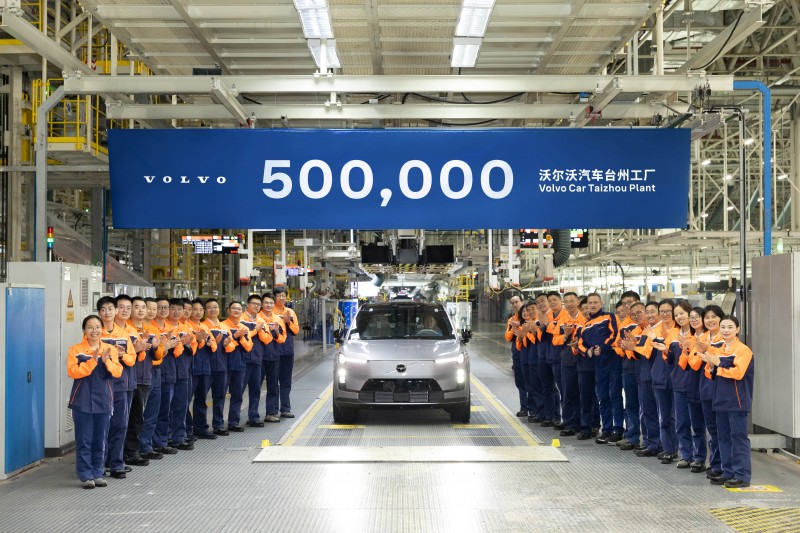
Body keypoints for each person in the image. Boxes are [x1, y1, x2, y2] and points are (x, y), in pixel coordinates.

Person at [698, 316, 754, 488]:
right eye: (723, 327)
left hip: (737, 401)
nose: (726, 330)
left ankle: (742, 476)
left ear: (738, 329)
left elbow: (738, 373)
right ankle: (728, 472)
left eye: (730, 327)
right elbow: (711, 374)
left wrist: (719, 364)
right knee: (723, 437)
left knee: (738, 438)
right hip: (720, 399)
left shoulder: (743, 350)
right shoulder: (720, 349)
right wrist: (711, 365)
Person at [68, 315, 123, 488]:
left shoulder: (109, 349)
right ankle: (86, 475)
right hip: (82, 401)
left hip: (104, 400)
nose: (94, 330)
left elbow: (118, 372)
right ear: (84, 330)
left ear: (102, 329)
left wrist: (106, 362)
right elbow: (73, 372)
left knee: (101, 439)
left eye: (98, 327)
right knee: (84, 440)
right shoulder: (76, 350)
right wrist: (93, 361)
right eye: (90, 327)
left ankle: (98, 473)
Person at [97, 296, 137, 480]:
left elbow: (132, 359)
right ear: (99, 313)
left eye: (110, 309)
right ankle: (100, 463)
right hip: (102, 384)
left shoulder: (123, 334)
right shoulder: (96, 333)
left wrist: (121, 356)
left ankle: (116, 463)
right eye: (103, 309)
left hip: (121, 384)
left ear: (116, 311)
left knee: (120, 424)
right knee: (102, 425)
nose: (107, 313)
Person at [579, 293, 622, 444]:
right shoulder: (585, 325)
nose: (592, 305)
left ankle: (618, 429)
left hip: (613, 360)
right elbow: (580, 344)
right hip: (599, 364)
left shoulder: (610, 317)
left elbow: (615, 334)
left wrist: (602, 348)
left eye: (595, 302)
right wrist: (588, 351)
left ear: (601, 303)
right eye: (590, 303)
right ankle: (606, 429)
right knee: (602, 396)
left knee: (614, 395)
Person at [122, 296, 160, 467]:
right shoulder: (126, 330)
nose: (141, 310)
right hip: (130, 378)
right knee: (125, 417)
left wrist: (157, 347)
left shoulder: (150, 329)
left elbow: (157, 356)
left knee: (138, 417)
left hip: (145, 377)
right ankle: (123, 453)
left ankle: (132, 451)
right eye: (136, 307)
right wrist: (137, 348)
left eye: (143, 307)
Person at [668, 301, 705, 471]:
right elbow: (671, 360)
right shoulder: (673, 334)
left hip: (694, 384)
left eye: (682, 313)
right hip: (678, 383)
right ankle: (686, 455)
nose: (679, 317)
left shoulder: (697, 335)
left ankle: (699, 457)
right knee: (681, 422)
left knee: (697, 423)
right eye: (676, 315)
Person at [621, 302, 661, 456]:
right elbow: (638, 353)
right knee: (646, 411)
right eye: (634, 315)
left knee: (657, 412)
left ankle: (658, 444)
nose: (637, 316)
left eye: (640, 312)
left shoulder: (656, 330)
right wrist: (632, 345)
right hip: (642, 375)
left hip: (653, 376)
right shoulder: (643, 331)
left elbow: (648, 352)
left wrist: (634, 346)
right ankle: (650, 442)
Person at [691, 305, 725, 479]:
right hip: (705, 385)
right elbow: (694, 362)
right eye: (707, 317)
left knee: (722, 428)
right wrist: (697, 350)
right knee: (711, 428)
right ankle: (715, 463)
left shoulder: (725, 337)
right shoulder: (701, 337)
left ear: (720, 318)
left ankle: (723, 465)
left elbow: (723, 359)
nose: (710, 320)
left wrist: (708, 349)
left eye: (714, 317)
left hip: (722, 385)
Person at [552, 292, 585, 437]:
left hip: (583, 361)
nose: (570, 304)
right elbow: (555, 340)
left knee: (584, 394)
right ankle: (569, 423)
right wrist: (565, 335)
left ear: (577, 302)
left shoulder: (584, 318)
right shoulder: (562, 320)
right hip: (567, 361)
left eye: (572, 301)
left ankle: (583, 424)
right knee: (568, 393)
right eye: (567, 301)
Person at [649, 299, 678, 464]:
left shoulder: (679, 330)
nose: (665, 314)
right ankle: (668, 449)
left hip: (677, 378)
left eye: (669, 311)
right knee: (664, 416)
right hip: (660, 377)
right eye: (663, 311)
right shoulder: (654, 330)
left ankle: (680, 449)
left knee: (678, 417)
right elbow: (647, 353)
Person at [187, 298, 218, 439]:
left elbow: (213, 345)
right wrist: (197, 339)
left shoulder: (205, 327)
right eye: (195, 309)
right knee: (186, 401)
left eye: (201, 310)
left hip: (205, 368)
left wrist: (211, 343)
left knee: (201, 400)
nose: (198, 312)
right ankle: (187, 430)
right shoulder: (187, 326)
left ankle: (201, 428)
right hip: (191, 368)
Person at [242, 294, 274, 427]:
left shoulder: (261, 321)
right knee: (239, 391)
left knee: (255, 390)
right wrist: (256, 330)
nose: (256, 306)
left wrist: (259, 330)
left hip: (257, 359)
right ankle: (233, 420)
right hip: (243, 360)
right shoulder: (241, 319)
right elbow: (244, 336)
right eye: (253, 304)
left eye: (258, 305)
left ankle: (253, 417)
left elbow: (267, 339)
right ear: (247, 304)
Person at [614, 292, 641, 450]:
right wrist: (623, 348)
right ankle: (632, 436)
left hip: (642, 366)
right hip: (628, 367)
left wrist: (632, 346)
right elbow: (617, 345)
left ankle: (651, 440)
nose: (627, 306)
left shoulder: (643, 322)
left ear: (637, 301)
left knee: (647, 405)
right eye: (624, 303)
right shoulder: (623, 324)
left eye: (630, 302)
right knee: (631, 403)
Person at [203, 298, 233, 435]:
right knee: (201, 398)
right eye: (209, 307)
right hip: (206, 367)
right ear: (205, 310)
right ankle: (200, 427)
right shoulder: (203, 326)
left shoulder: (225, 328)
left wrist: (227, 344)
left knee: (220, 396)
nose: (213, 310)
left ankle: (218, 424)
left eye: (215, 307)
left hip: (221, 366)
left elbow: (231, 346)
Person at [223, 301, 253, 431]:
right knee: (220, 395)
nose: (236, 311)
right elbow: (224, 346)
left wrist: (241, 338)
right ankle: (218, 424)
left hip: (240, 364)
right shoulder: (223, 326)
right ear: (228, 310)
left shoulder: (244, 328)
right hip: (224, 365)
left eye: (239, 309)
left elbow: (249, 346)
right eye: (234, 308)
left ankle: (234, 422)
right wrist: (235, 336)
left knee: (237, 394)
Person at [260, 293, 287, 423]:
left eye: (271, 303)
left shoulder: (278, 319)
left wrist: (275, 332)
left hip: (274, 356)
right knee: (255, 387)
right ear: (262, 304)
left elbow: (283, 338)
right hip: (259, 357)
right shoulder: (257, 318)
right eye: (266, 302)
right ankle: (253, 415)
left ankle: (271, 412)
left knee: (273, 386)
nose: (269, 305)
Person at [273, 286, 300, 418]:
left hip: (288, 351)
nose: (281, 298)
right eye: (279, 295)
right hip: (274, 351)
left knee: (286, 381)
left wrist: (288, 322)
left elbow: (296, 331)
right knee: (273, 381)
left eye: (283, 295)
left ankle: (285, 409)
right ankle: (273, 410)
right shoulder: (269, 312)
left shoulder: (290, 312)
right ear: (274, 297)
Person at [541, 291, 567, 428]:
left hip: (562, 357)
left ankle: (566, 419)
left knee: (564, 390)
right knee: (552, 388)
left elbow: (559, 334)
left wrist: (548, 325)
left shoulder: (565, 315)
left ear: (560, 300)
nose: (552, 303)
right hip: (551, 357)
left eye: (554, 300)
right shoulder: (549, 316)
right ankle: (557, 417)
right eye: (550, 300)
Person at [504, 294, 528, 417]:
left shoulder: (528, 316)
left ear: (522, 302)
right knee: (520, 381)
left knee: (531, 381)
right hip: (517, 351)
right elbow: (508, 337)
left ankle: (535, 409)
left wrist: (518, 327)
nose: (514, 305)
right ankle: (524, 407)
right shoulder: (511, 320)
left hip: (528, 349)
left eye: (516, 302)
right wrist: (513, 328)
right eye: (512, 303)